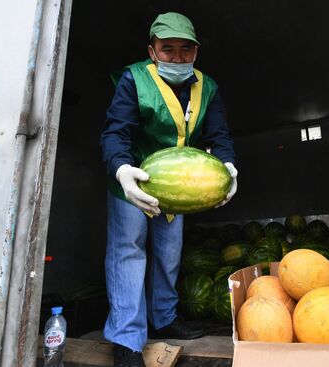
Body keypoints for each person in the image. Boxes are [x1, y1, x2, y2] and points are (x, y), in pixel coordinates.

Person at [99, 12, 237, 367]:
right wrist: (122, 172)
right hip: (133, 180)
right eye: (168, 50)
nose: (177, 58)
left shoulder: (208, 87)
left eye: (185, 50)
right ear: (152, 50)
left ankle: (164, 319)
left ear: (196, 52)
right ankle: (127, 340)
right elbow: (116, 132)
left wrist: (228, 165)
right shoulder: (134, 79)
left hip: (178, 185)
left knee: (169, 251)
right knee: (128, 252)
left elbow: (218, 136)